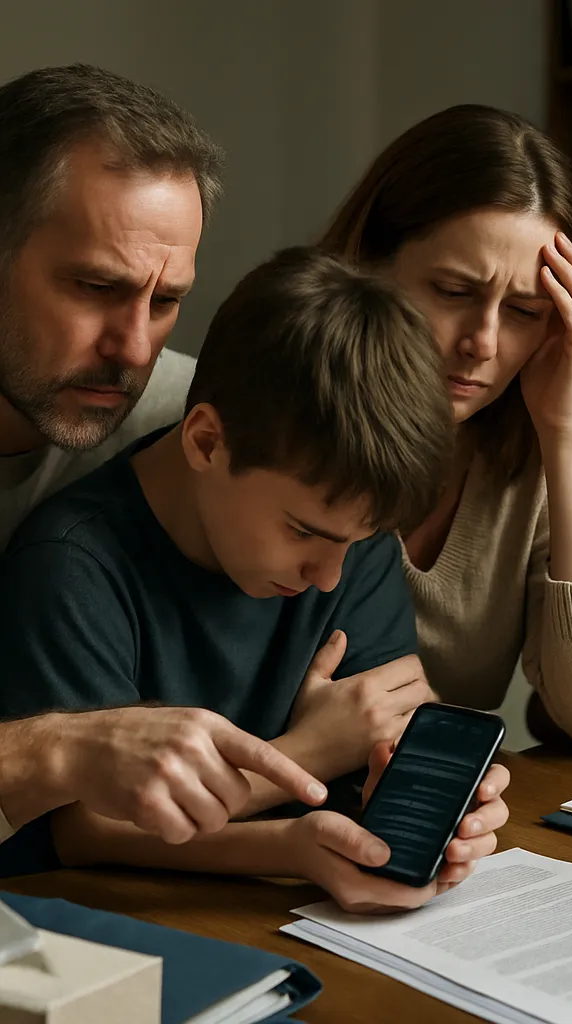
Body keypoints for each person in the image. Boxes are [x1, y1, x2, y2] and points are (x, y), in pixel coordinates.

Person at [0, 246, 510, 910]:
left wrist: (410, 796)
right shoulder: (71, 565)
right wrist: (307, 763)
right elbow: (88, 828)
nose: (328, 578)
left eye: (354, 544)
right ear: (208, 443)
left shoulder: (347, 540)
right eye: (304, 533)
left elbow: (376, 742)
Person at [0, 63, 326, 851]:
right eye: (93, 286)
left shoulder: (193, 423)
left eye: (168, 300)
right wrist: (60, 749)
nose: (134, 345)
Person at [319, 105, 572, 759]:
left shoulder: (552, 433)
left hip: (431, 813)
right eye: (453, 291)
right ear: (369, 263)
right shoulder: (284, 418)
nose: (483, 343)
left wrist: (567, 431)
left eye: (523, 311)